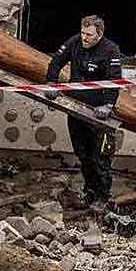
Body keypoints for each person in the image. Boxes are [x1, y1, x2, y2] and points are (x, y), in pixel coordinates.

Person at [45, 15, 123, 210]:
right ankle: (89, 193)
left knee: (100, 158)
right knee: (83, 155)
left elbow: (115, 79)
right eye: (82, 33)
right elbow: (56, 61)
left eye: (89, 35)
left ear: (99, 34)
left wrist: (108, 105)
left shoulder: (110, 49)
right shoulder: (74, 42)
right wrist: (51, 83)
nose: (84, 38)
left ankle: (102, 198)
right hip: (75, 108)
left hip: (99, 115)